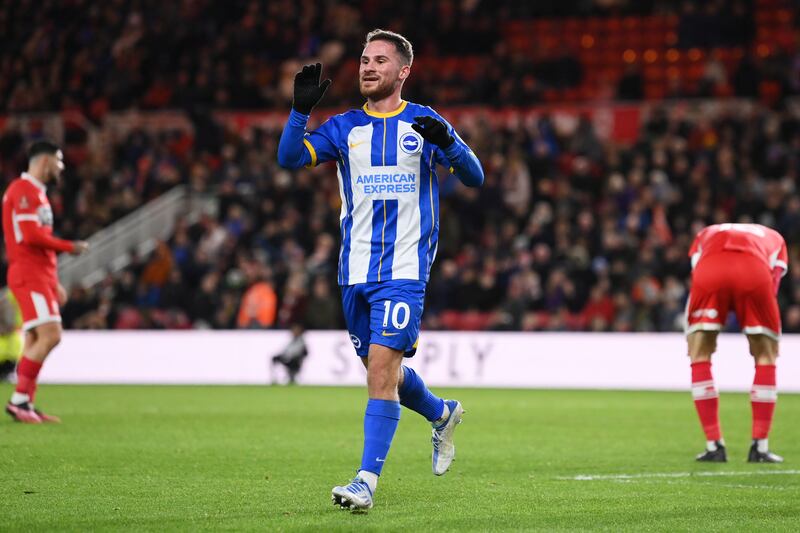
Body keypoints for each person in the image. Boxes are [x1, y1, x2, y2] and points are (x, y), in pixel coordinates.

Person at [278, 29, 484, 510]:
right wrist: (299, 111)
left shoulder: (425, 122)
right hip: (354, 271)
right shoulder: (345, 127)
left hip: (405, 270)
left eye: (380, 61)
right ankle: (441, 413)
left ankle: (365, 482)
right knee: (381, 370)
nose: (367, 67)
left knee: (380, 375)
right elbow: (288, 158)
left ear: (403, 71)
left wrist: (450, 143)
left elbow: (475, 176)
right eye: (364, 60)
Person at [2, 140, 89, 423]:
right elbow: (30, 236)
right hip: (27, 273)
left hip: (37, 273)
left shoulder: (36, 193)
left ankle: (25, 402)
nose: (62, 167)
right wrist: (69, 246)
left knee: (35, 337)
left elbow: (37, 246)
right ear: (45, 162)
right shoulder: (23, 190)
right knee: (52, 334)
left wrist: (53, 281)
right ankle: (19, 401)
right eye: (59, 161)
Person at [685, 223, 787, 463]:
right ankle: (760, 448)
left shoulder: (706, 233)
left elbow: (696, 268)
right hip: (753, 270)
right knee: (766, 354)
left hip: (710, 268)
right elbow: (772, 284)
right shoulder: (776, 238)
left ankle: (714, 446)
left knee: (699, 352)